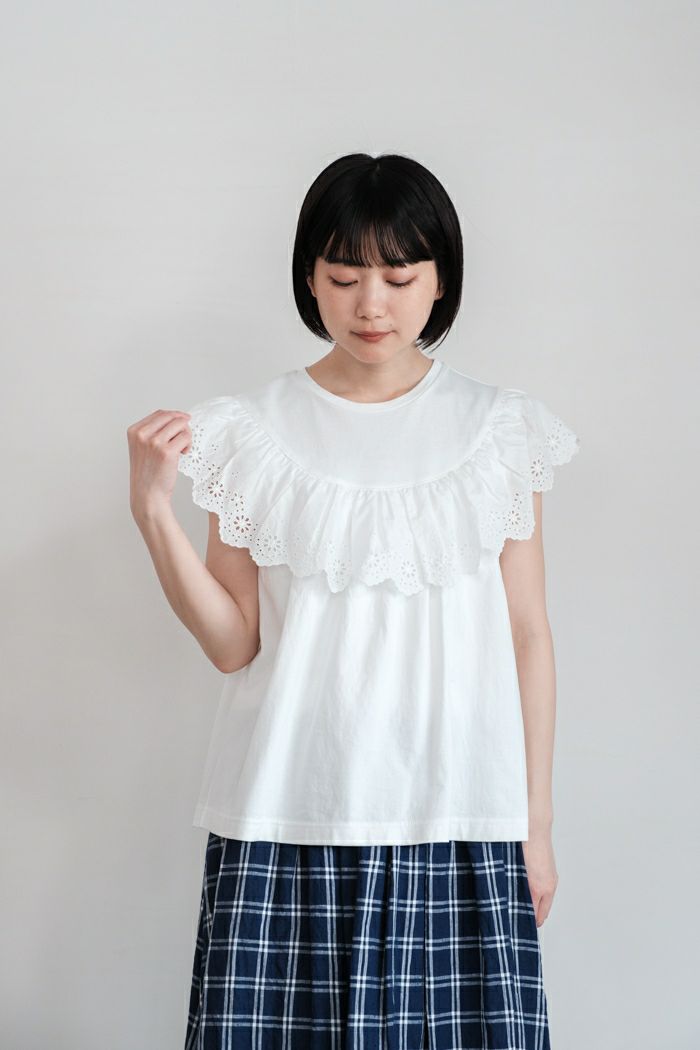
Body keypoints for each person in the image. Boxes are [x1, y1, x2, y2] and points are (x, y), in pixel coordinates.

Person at [127, 152, 580, 1050]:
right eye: (344, 276)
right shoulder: (247, 432)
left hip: (458, 812)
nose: (371, 304)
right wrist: (152, 512)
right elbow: (234, 644)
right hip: (287, 808)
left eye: (399, 277)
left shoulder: (500, 429)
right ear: (310, 278)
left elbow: (528, 633)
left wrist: (536, 824)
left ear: (441, 280)